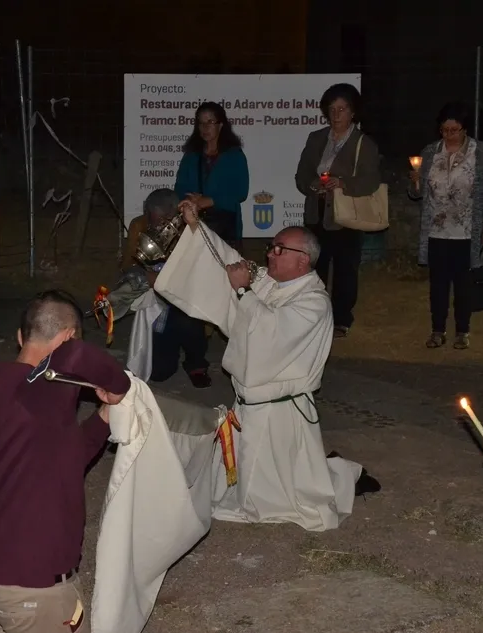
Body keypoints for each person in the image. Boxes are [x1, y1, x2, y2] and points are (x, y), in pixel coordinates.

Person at [154, 202, 380, 527]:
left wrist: (243, 290)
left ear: (303, 260)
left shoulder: (313, 303)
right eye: (271, 247)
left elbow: (269, 335)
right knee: (243, 482)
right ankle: (330, 471)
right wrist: (194, 226)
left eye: (279, 249)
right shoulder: (273, 284)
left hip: (278, 410)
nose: (270, 254)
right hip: (249, 406)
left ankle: (340, 477)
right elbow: (224, 260)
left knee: (276, 495)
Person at [0, 290, 130, 633]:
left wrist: (104, 415)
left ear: (20, 337)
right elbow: (79, 356)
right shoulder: (44, 392)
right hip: (28, 580)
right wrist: (118, 387)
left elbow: (66, 456)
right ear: (68, 339)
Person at [408, 102, 483, 350]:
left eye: (454, 130)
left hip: (467, 230)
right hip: (437, 230)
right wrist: (415, 181)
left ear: (465, 129)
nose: (449, 135)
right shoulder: (430, 152)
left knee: (463, 284)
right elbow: (417, 194)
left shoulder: (480, 153)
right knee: (438, 284)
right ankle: (437, 330)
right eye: (444, 130)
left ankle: (462, 330)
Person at [294, 83, 381, 338]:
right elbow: (301, 175)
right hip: (317, 213)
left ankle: (341, 318)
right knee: (314, 268)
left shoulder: (363, 143)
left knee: (345, 269)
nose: (336, 114)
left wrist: (343, 183)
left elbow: (371, 181)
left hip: (346, 216)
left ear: (353, 112)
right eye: (332, 109)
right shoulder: (316, 138)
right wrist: (313, 184)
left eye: (342, 109)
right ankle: (314, 316)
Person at [122, 188, 211, 387]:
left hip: (186, 298)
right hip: (156, 301)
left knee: (189, 322)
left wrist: (167, 278)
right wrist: (143, 275)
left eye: (164, 220)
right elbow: (128, 264)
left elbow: (202, 270)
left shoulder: (191, 227)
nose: (158, 225)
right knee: (159, 372)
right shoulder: (139, 225)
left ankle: (196, 363)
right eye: (154, 219)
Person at [174, 101, 249, 251]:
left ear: (220, 125)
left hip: (224, 229)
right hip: (193, 224)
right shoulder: (191, 155)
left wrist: (209, 201)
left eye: (210, 122)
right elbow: (180, 187)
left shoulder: (234, 156)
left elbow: (240, 192)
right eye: (201, 123)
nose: (205, 127)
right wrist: (190, 200)